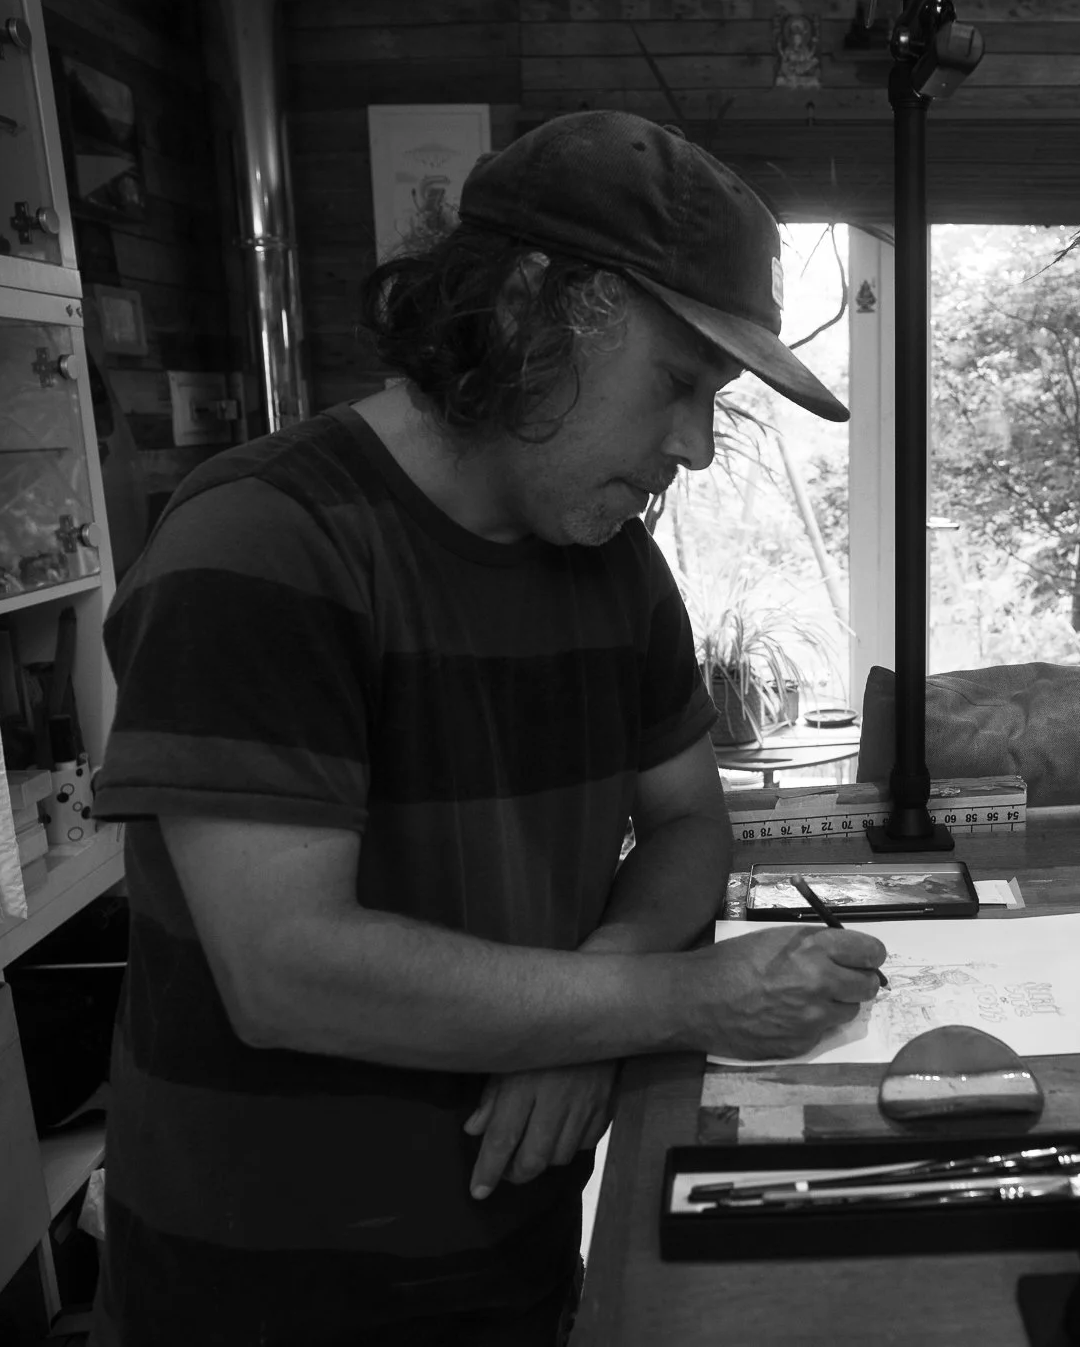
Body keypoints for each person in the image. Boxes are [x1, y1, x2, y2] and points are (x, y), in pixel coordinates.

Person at [90, 111, 887, 1346]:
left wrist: (603, 991)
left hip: (510, 1246)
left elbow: (687, 822)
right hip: (264, 1286)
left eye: (713, 399)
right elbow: (287, 969)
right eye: (676, 383)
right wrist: (672, 1001)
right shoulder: (260, 543)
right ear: (529, 310)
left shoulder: (612, 564)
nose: (696, 445)